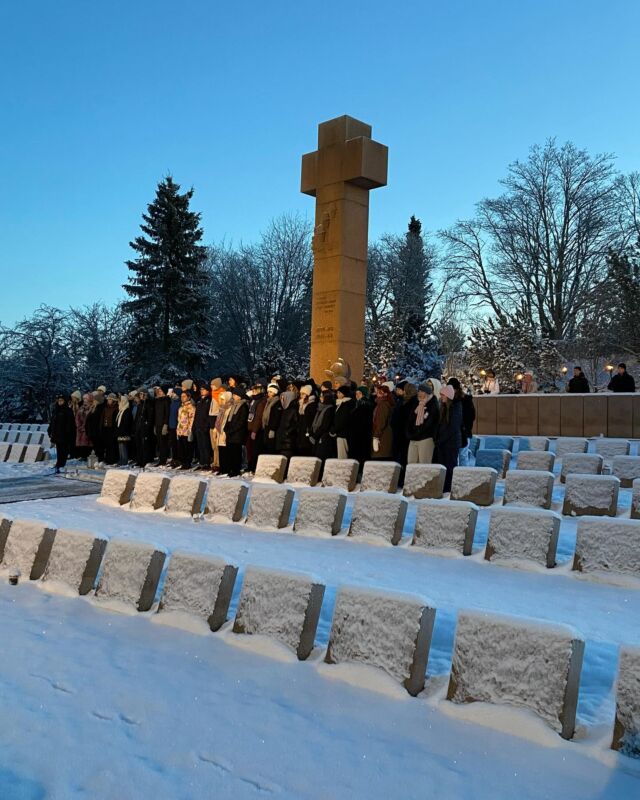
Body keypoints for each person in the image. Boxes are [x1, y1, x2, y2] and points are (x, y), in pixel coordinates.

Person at [435, 384, 462, 493]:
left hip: (451, 442)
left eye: (442, 395)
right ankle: (444, 486)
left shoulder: (456, 407)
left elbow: (453, 427)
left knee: (450, 465)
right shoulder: (443, 407)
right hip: (442, 442)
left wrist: (441, 439)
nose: (441, 397)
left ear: (448, 395)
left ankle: (449, 487)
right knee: (443, 464)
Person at [406, 382, 439, 464]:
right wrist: (409, 432)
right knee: (411, 462)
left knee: (424, 463)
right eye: (419, 391)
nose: (419, 393)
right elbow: (410, 419)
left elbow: (430, 423)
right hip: (413, 437)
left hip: (425, 438)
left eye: (422, 391)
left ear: (427, 393)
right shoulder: (417, 403)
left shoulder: (433, 405)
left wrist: (418, 432)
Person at [448, 377, 476, 466]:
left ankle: (463, 476)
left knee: (462, 455)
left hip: (463, 431)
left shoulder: (465, 400)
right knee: (457, 456)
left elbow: (471, 416)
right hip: (455, 432)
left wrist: (465, 428)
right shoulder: (450, 400)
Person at [391, 381, 417, 470]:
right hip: (400, 433)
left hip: (404, 434)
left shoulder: (411, 402)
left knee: (403, 457)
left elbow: (406, 418)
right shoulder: (402, 401)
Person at [224, 386, 249, 477]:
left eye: (235, 395)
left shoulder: (243, 406)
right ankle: (231, 468)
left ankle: (235, 470)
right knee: (230, 452)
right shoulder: (233, 405)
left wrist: (232, 430)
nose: (233, 396)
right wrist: (226, 428)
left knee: (236, 452)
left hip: (237, 434)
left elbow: (241, 422)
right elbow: (229, 418)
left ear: (239, 396)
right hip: (230, 433)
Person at [48, 394, 76, 473]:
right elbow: (52, 422)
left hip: (64, 434)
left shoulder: (67, 411)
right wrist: (50, 430)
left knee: (64, 450)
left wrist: (69, 433)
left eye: (61, 401)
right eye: (59, 400)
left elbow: (70, 424)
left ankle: (61, 464)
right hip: (57, 433)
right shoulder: (56, 410)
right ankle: (58, 463)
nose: (60, 402)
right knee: (59, 450)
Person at [349, 386, 373, 470]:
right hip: (357, 434)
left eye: (359, 393)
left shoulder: (365, 405)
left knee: (360, 455)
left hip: (361, 435)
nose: (357, 395)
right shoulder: (358, 404)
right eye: (356, 393)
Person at [310, 388, 336, 463]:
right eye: (320, 396)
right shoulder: (320, 408)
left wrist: (315, 435)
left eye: (322, 396)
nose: (320, 398)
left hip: (324, 438)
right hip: (317, 437)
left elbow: (325, 425)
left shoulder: (329, 409)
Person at [246, 384, 267, 473]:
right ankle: (250, 465)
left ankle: (255, 466)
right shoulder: (253, 400)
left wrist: (255, 430)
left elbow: (258, 417)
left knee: (256, 449)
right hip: (250, 426)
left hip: (256, 429)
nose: (253, 392)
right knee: (250, 449)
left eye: (255, 390)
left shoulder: (261, 401)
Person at [371, 384, 395, 459]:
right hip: (382, 433)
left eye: (380, 392)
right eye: (377, 392)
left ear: (385, 394)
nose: (377, 394)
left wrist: (376, 436)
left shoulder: (383, 404)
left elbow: (381, 421)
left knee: (381, 457)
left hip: (382, 435)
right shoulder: (381, 403)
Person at [331, 384, 354, 458]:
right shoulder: (340, 403)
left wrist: (334, 429)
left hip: (343, 433)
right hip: (340, 433)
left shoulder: (346, 405)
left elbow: (342, 419)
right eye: (337, 393)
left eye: (339, 393)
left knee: (342, 455)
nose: (337, 394)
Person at [194, 384, 213, 469]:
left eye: (204, 389)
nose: (202, 391)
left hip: (205, 426)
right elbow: (197, 414)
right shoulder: (199, 400)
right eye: (201, 389)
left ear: (208, 391)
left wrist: (206, 426)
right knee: (200, 445)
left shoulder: (209, 400)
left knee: (206, 445)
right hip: (198, 425)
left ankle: (207, 462)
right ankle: (202, 462)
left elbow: (209, 414)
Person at [276, 390, 299, 460]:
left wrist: (287, 432)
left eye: (284, 398)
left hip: (288, 441)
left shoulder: (293, 410)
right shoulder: (283, 410)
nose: (282, 400)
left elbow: (295, 425)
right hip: (282, 440)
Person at [176, 390, 196, 470]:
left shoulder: (191, 407)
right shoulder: (181, 408)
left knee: (187, 448)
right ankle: (183, 463)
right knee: (181, 449)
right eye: (181, 396)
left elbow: (192, 420)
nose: (182, 398)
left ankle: (188, 463)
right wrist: (178, 430)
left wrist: (190, 431)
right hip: (180, 431)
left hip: (187, 431)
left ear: (188, 397)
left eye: (184, 396)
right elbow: (179, 420)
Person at [214, 391, 233, 474]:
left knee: (226, 451)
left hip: (225, 432)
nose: (221, 401)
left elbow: (227, 420)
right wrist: (216, 429)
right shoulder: (221, 408)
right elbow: (218, 420)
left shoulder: (230, 408)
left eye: (223, 399)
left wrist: (224, 430)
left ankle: (226, 468)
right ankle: (222, 468)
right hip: (219, 431)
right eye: (220, 399)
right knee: (220, 450)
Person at [296, 384, 317, 457]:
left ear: (308, 394)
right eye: (300, 393)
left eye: (303, 394)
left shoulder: (312, 404)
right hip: (302, 430)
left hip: (307, 430)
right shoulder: (301, 404)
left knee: (306, 449)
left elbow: (310, 419)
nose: (301, 395)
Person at [261, 383, 282, 455]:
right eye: (268, 392)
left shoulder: (276, 402)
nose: (268, 393)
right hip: (267, 427)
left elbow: (276, 417)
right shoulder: (269, 401)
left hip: (271, 428)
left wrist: (272, 429)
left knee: (271, 447)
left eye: (270, 392)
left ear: (275, 392)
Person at [153, 386, 171, 466]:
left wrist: (166, 424)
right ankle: (161, 458)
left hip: (163, 424)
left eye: (161, 391)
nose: (159, 392)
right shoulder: (157, 401)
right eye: (158, 391)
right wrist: (154, 425)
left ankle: (163, 460)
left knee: (163, 442)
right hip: (157, 424)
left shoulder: (166, 400)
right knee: (159, 442)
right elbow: (155, 414)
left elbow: (167, 413)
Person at [85, 390, 105, 462]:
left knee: (99, 446)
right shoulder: (93, 408)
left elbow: (98, 421)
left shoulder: (100, 409)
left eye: (95, 400)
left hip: (97, 431)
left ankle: (100, 458)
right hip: (92, 431)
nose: (93, 401)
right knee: (96, 446)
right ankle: (98, 458)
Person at [101, 393, 119, 465]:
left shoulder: (116, 408)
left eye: (110, 399)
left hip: (112, 428)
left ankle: (112, 459)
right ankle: (107, 458)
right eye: (108, 399)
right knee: (107, 445)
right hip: (106, 428)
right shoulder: (106, 408)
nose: (108, 400)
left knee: (112, 445)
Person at [116, 394, 133, 466]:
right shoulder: (121, 410)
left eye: (120, 401)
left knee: (123, 446)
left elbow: (127, 423)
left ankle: (124, 460)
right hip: (120, 431)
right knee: (120, 446)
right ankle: (121, 459)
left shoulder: (127, 411)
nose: (119, 403)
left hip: (124, 432)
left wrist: (123, 431)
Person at [74, 393, 92, 460]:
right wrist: (79, 426)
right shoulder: (81, 408)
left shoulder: (91, 408)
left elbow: (89, 419)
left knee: (88, 443)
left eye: (86, 399)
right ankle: (82, 455)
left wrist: (85, 426)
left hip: (87, 428)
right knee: (82, 443)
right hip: (80, 428)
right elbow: (77, 418)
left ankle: (87, 455)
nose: (85, 400)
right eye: (84, 399)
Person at [168, 387, 181, 467]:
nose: (172, 394)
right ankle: (174, 458)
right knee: (173, 444)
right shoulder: (172, 402)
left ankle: (178, 459)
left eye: (174, 393)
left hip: (177, 426)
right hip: (171, 425)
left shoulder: (179, 403)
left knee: (177, 444)